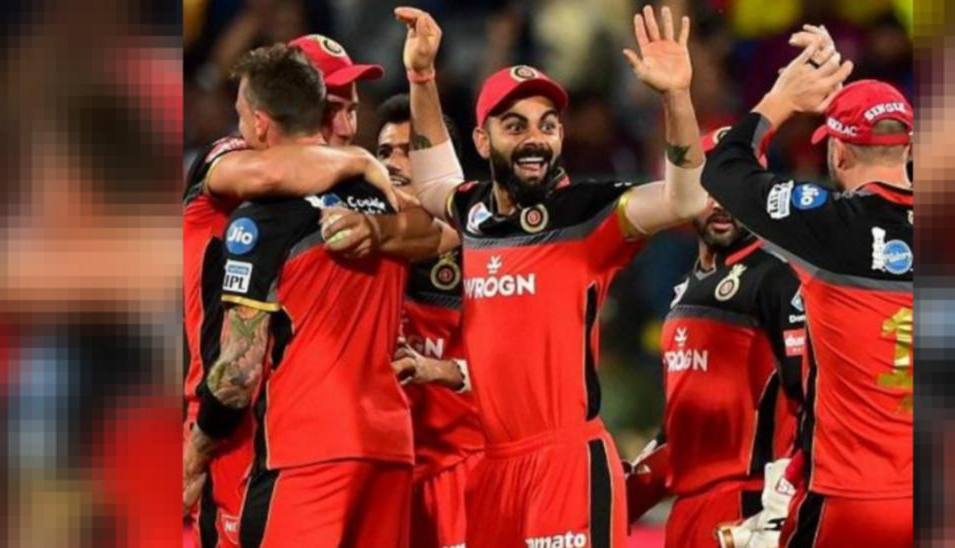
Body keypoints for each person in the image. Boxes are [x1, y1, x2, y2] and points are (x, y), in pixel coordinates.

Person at [383, 5, 708, 547]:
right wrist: (421, 77)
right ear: (483, 142)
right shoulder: (475, 213)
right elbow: (436, 181)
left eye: (548, 125)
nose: (535, 139)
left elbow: (687, 199)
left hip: (566, 466)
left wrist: (676, 97)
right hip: (493, 469)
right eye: (515, 126)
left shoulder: (586, 214)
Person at [182, 43, 440, 547]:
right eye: (333, 108)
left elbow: (440, 229)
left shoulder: (348, 201)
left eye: (353, 110)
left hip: (278, 428)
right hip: (239, 424)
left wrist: (376, 225)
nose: (345, 127)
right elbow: (271, 171)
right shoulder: (238, 163)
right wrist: (363, 165)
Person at [700, 31, 914, 548]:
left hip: (849, 498)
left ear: (838, 152)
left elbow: (724, 170)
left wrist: (781, 99)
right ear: (908, 148)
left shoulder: (827, 226)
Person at [625, 128, 806, 547]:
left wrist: (783, 504)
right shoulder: (683, 288)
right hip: (687, 510)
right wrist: (625, 490)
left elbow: (813, 401)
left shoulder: (778, 278)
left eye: (736, 185)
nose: (722, 202)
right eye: (709, 187)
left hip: (748, 508)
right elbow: (678, 427)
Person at [373, 93, 484, 548]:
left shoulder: (482, 249)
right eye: (384, 152)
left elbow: (519, 367)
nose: (393, 163)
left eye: (409, 151)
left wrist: (439, 370)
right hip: (384, 474)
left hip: (460, 471)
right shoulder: (365, 251)